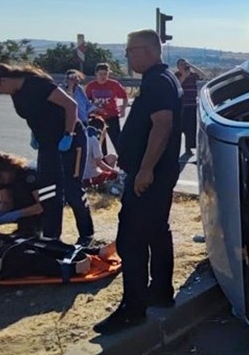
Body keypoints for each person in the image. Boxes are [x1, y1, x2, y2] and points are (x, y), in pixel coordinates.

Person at [93, 29, 179, 335]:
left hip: (150, 176)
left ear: (147, 50)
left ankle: (133, 308)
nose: (126, 56)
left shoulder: (157, 80)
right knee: (157, 231)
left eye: (130, 51)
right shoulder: (162, 78)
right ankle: (161, 292)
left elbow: (162, 125)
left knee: (131, 240)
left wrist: (145, 169)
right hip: (157, 173)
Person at [0, 62, 95, 244]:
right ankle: (51, 236)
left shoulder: (37, 84)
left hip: (70, 140)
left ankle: (86, 234)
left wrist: (68, 134)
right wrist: (36, 135)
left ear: (3, 79)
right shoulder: (15, 94)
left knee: (72, 189)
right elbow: (35, 114)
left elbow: (70, 106)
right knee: (48, 190)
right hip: (47, 144)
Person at [0, 152, 47, 238]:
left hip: (41, 208)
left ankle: (32, 231)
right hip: (24, 204)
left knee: (24, 199)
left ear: (7, 169)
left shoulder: (29, 175)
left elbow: (44, 205)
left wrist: (17, 214)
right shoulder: (1, 178)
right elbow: (6, 202)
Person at [85, 62, 129, 153]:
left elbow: (124, 97)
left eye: (105, 74)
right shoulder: (91, 86)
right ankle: (103, 161)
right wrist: (89, 111)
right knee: (99, 142)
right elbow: (86, 101)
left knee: (117, 140)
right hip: (97, 117)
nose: (103, 76)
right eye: (100, 74)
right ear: (96, 74)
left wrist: (123, 109)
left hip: (111, 116)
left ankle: (123, 161)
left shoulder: (114, 84)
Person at [175, 58, 206, 157]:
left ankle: (188, 148)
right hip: (180, 106)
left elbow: (202, 75)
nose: (183, 65)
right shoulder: (176, 75)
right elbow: (177, 85)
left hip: (191, 105)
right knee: (178, 128)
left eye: (184, 64)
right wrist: (184, 76)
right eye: (181, 64)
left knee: (190, 128)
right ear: (178, 66)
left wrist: (192, 65)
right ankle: (174, 149)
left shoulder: (193, 75)